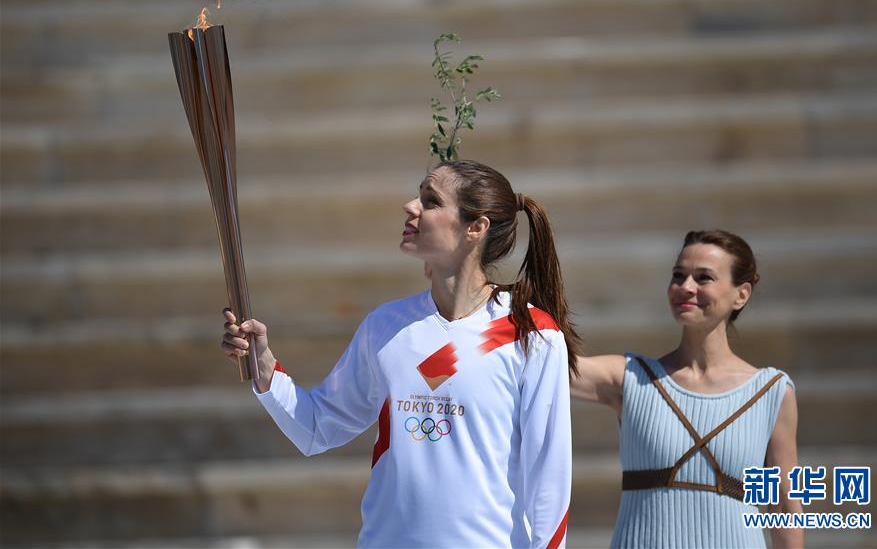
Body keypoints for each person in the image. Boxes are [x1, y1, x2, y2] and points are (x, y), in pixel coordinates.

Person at [222, 160, 579, 548]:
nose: (411, 207)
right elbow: (316, 427)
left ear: (475, 227)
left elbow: (549, 482)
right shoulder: (386, 327)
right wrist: (266, 368)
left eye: (430, 200)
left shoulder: (531, 334)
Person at [572, 230, 803, 548]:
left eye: (703, 277)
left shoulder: (772, 392)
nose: (685, 288)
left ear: (741, 294)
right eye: (678, 276)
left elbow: (785, 513)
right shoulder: (631, 378)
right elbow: (549, 369)